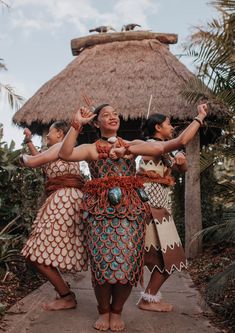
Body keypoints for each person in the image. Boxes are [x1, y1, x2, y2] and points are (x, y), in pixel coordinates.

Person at [59, 103, 207, 331]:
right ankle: (104, 310)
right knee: (101, 265)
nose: (113, 117)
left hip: (130, 213)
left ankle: (116, 310)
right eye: (106, 115)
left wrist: (198, 118)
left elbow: (174, 144)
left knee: (126, 264)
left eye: (115, 114)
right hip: (99, 214)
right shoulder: (92, 148)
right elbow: (65, 153)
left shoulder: (133, 144)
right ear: (96, 123)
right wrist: (76, 124)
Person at [20, 121, 88, 311]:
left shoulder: (60, 146)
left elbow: (33, 161)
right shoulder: (59, 150)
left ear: (59, 133)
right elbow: (42, 161)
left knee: (35, 253)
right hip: (63, 200)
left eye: (49, 132)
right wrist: (29, 142)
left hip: (64, 201)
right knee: (38, 252)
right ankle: (65, 294)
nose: (47, 136)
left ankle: (66, 296)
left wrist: (21, 158)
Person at [136, 112, 189, 312]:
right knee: (169, 258)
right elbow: (173, 144)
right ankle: (147, 300)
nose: (172, 126)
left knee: (169, 259)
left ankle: (149, 298)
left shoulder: (167, 150)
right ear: (158, 127)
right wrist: (199, 119)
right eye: (168, 123)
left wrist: (181, 159)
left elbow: (183, 169)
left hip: (160, 210)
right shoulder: (150, 146)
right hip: (149, 209)